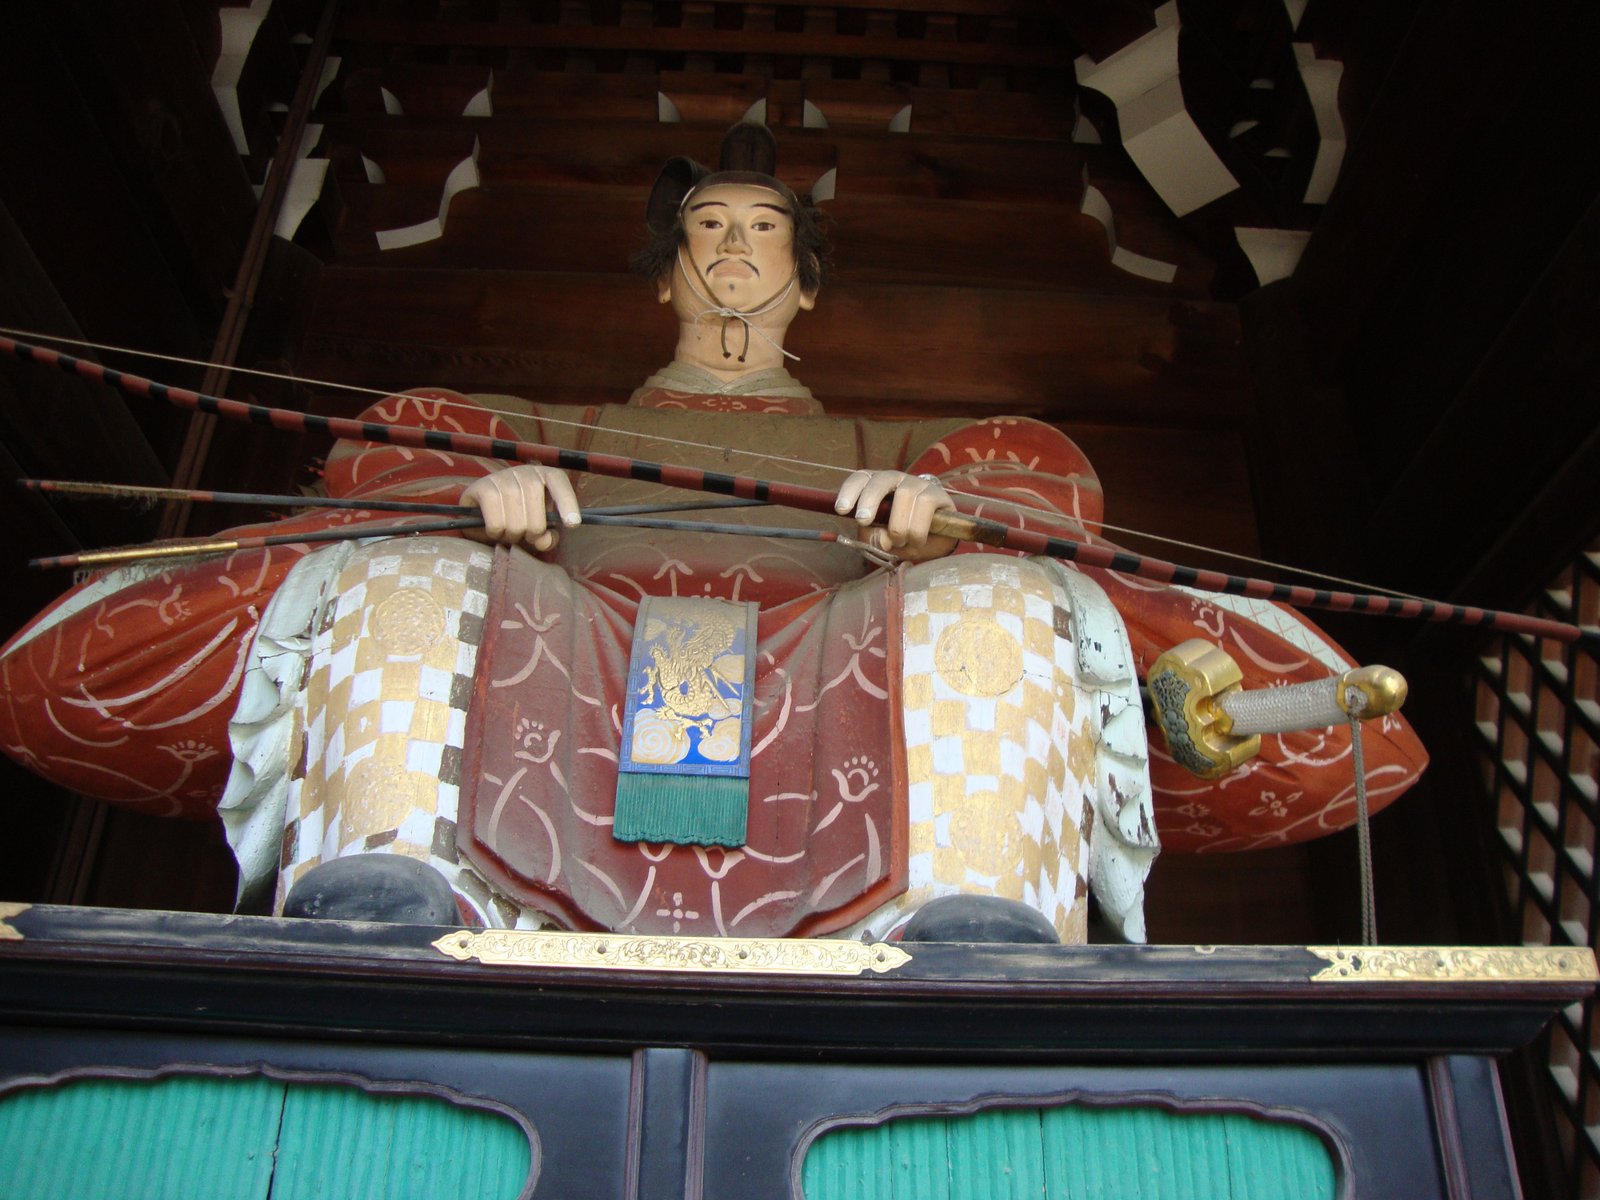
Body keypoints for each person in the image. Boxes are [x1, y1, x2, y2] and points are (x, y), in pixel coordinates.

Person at [0, 124, 1427, 944]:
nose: (735, 247)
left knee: (995, 598)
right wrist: (469, 502)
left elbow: (1038, 504)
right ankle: (392, 885)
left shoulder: (898, 453)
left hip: (839, 696)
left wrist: (948, 528)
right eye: (707, 228)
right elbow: (377, 477)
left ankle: (968, 921)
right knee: (407, 561)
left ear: (807, 288)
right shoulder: (526, 421)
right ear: (664, 273)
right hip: (552, 696)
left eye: (764, 231)